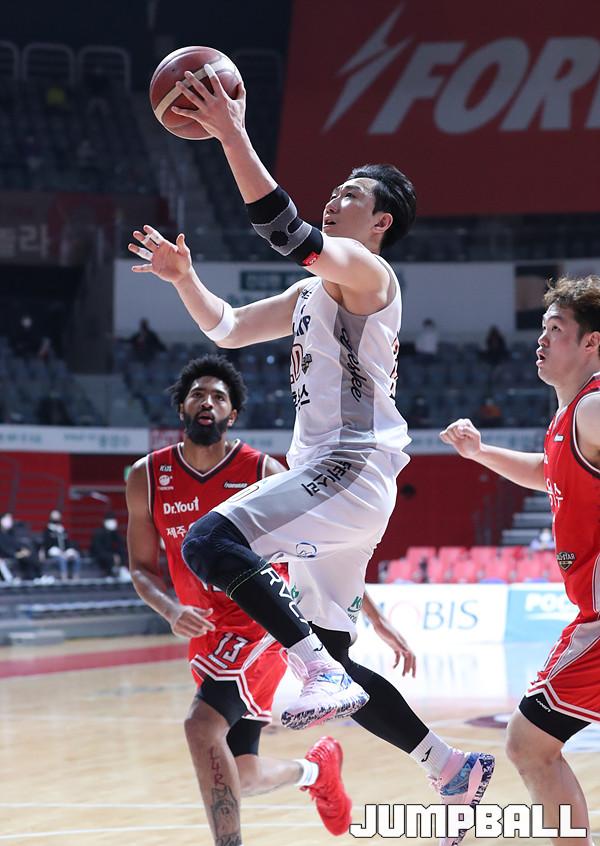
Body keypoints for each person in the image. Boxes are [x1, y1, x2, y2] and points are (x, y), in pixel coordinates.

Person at [129, 67, 494, 845]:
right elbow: (227, 329)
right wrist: (185, 279)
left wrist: (231, 133)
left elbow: (287, 233)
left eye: (350, 195)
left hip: (348, 467)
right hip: (335, 480)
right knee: (333, 654)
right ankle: (450, 768)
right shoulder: (307, 296)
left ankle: (314, 668)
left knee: (209, 541)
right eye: (334, 189)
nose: (335, 198)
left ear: (380, 221)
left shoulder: (369, 272)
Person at [127, 355, 392, 842]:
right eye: (198, 394)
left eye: (219, 397)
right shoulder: (146, 476)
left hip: (259, 624)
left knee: (201, 726)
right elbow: (142, 569)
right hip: (205, 634)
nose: (207, 402)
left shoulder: (261, 470)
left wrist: (374, 615)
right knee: (241, 774)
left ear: (232, 414)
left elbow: (322, 551)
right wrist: (170, 609)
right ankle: (316, 771)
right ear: (182, 407)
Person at [441, 275, 600, 846]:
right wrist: (480, 452)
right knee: (531, 744)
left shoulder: (594, 407)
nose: (541, 339)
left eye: (556, 329)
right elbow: (546, 471)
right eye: (542, 328)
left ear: (592, 343)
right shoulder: (570, 417)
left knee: (530, 742)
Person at [0, 512, 41, 581]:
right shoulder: (1, 535)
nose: (10, 521)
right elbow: (4, 549)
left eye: (10, 519)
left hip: (15, 553)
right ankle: (34, 577)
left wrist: (23, 550)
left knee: (30, 553)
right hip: (6, 555)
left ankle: (36, 577)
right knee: (25, 557)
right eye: (7, 519)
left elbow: (17, 544)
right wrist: (16, 554)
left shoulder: (11, 533)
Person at [42, 509, 81, 580]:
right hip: (53, 553)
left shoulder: (62, 530)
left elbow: (68, 543)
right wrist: (58, 552)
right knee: (62, 559)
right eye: (54, 516)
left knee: (76, 556)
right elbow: (47, 545)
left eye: (57, 516)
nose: (56, 518)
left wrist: (70, 551)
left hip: (64, 552)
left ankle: (76, 577)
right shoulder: (47, 530)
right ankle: (64, 577)